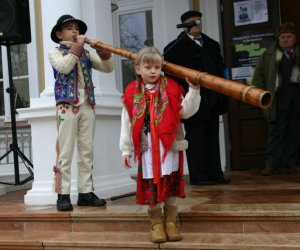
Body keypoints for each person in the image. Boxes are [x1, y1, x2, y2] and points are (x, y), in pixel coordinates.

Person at [120, 47, 200, 243]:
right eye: (148, 67)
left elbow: (185, 112)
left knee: (170, 182)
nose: (153, 71)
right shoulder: (131, 92)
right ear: (138, 69)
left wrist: (194, 90)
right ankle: (156, 224)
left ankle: (171, 222)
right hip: (147, 147)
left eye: (157, 67)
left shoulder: (172, 87)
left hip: (168, 146)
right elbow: (127, 121)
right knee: (151, 185)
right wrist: (125, 149)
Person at [49, 15, 115, 211]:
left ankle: (86, 192)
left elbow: (108, 68)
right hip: (67, 106)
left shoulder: (86, 53)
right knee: (65, 151)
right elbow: (64, 66)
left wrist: (102, 52)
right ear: (60, 34)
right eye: (69, 28)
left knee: (86, 150)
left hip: (87, 103)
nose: (75, 31)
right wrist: (77, 47)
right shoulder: (55, 52)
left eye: (77, 28)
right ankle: (63, 193)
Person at [163, 10, 230, 185]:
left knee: (212, 138)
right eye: (191, 22)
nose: (196, 24)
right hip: (192, 100)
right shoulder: (175, 46)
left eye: (198, 21)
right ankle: (199, 176)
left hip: (213, 99)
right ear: (185, 26)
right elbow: (170, 75)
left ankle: (216, 174)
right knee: (196, 139)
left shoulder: (212, 44)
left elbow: (221, 69)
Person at [252, 22, 300, 176]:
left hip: (297, 102)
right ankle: (272, 165)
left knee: (295, 133)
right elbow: (258, 77)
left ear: (295, 39)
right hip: (277, 102)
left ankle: (290, 164)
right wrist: (261, 95)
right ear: (278, 39)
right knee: (275, 134)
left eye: (289, 37)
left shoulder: (299, 54)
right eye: (283, 37)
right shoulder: (268, 55)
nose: (285, 40)